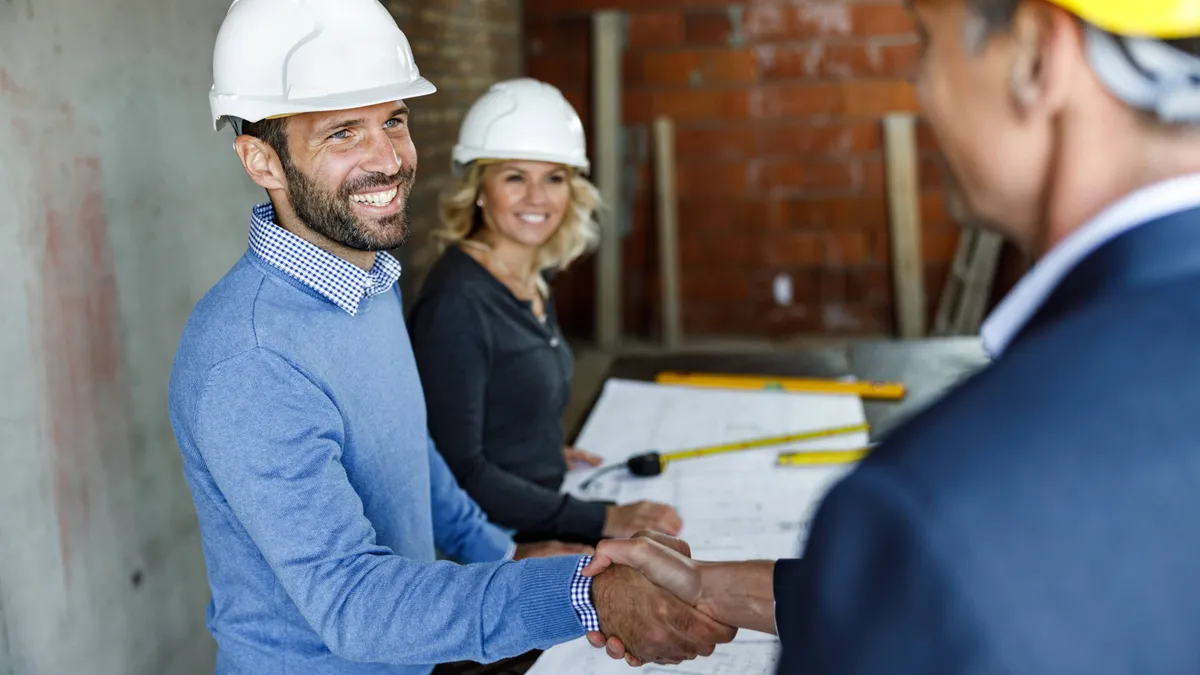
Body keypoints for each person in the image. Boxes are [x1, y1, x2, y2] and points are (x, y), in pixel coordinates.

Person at [582, 0, 1200, 672]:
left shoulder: (932, 505)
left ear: (1037, 57)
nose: (917, 84)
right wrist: (718, 587)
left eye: (925, 42)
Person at [167, 1, 735, 673]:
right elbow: (355, 603)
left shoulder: (369, 283)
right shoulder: (250, 357)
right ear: (261, 160)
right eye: (343, 133)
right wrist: (586, 594)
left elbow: (416, 455)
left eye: (394, 121)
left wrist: (504, 554)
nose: (390, 159)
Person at [408, 78, 682, 548]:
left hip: (540, 494)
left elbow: (498, 403)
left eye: (553, 177)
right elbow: (458, 473)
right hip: (498, 542)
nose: (537, 197)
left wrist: (538, 449)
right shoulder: (458, 303)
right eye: (515, 177)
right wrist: (600, 520)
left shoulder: (534, 276)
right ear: (480, 189)